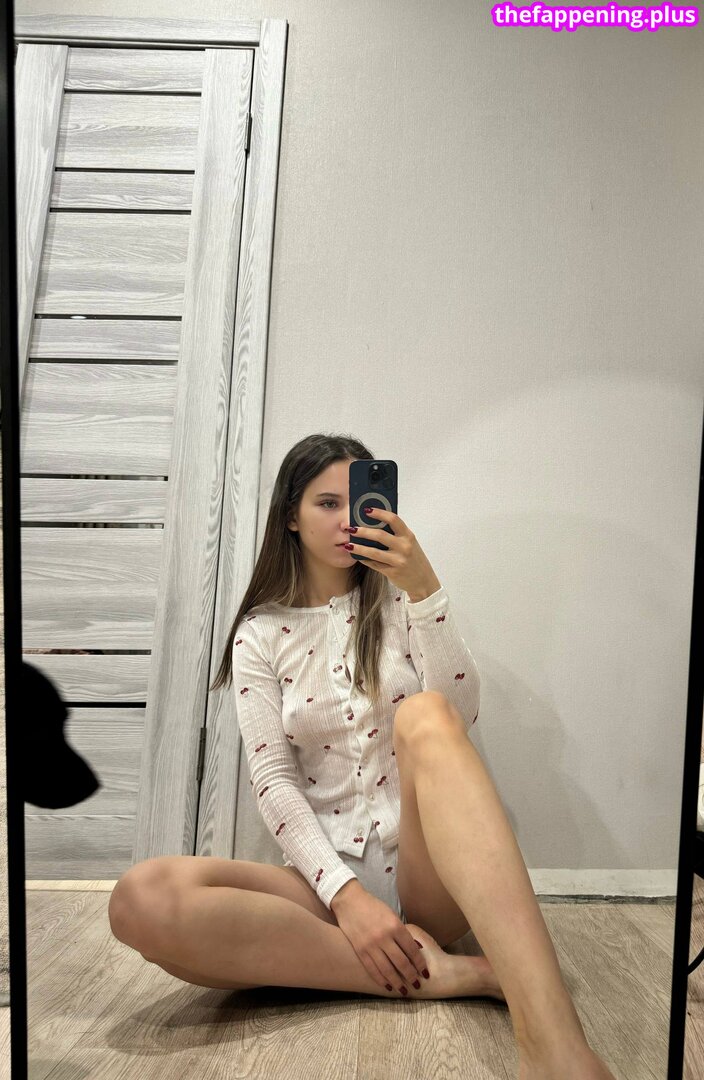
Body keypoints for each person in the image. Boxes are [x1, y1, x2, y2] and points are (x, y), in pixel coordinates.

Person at [108, 433, 615, 1080]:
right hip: (324, 885)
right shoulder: (259, 635)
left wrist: (425, 589)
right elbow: (273, 781)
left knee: (427, 714)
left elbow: (461, 714)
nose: (347, 519)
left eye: (359, 502)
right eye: (326, 503)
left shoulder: (400, 602)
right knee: (140, 898)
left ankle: (556, 1049)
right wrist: (346, 897)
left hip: (427, 877)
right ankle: (450, 975)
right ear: (290, 516)